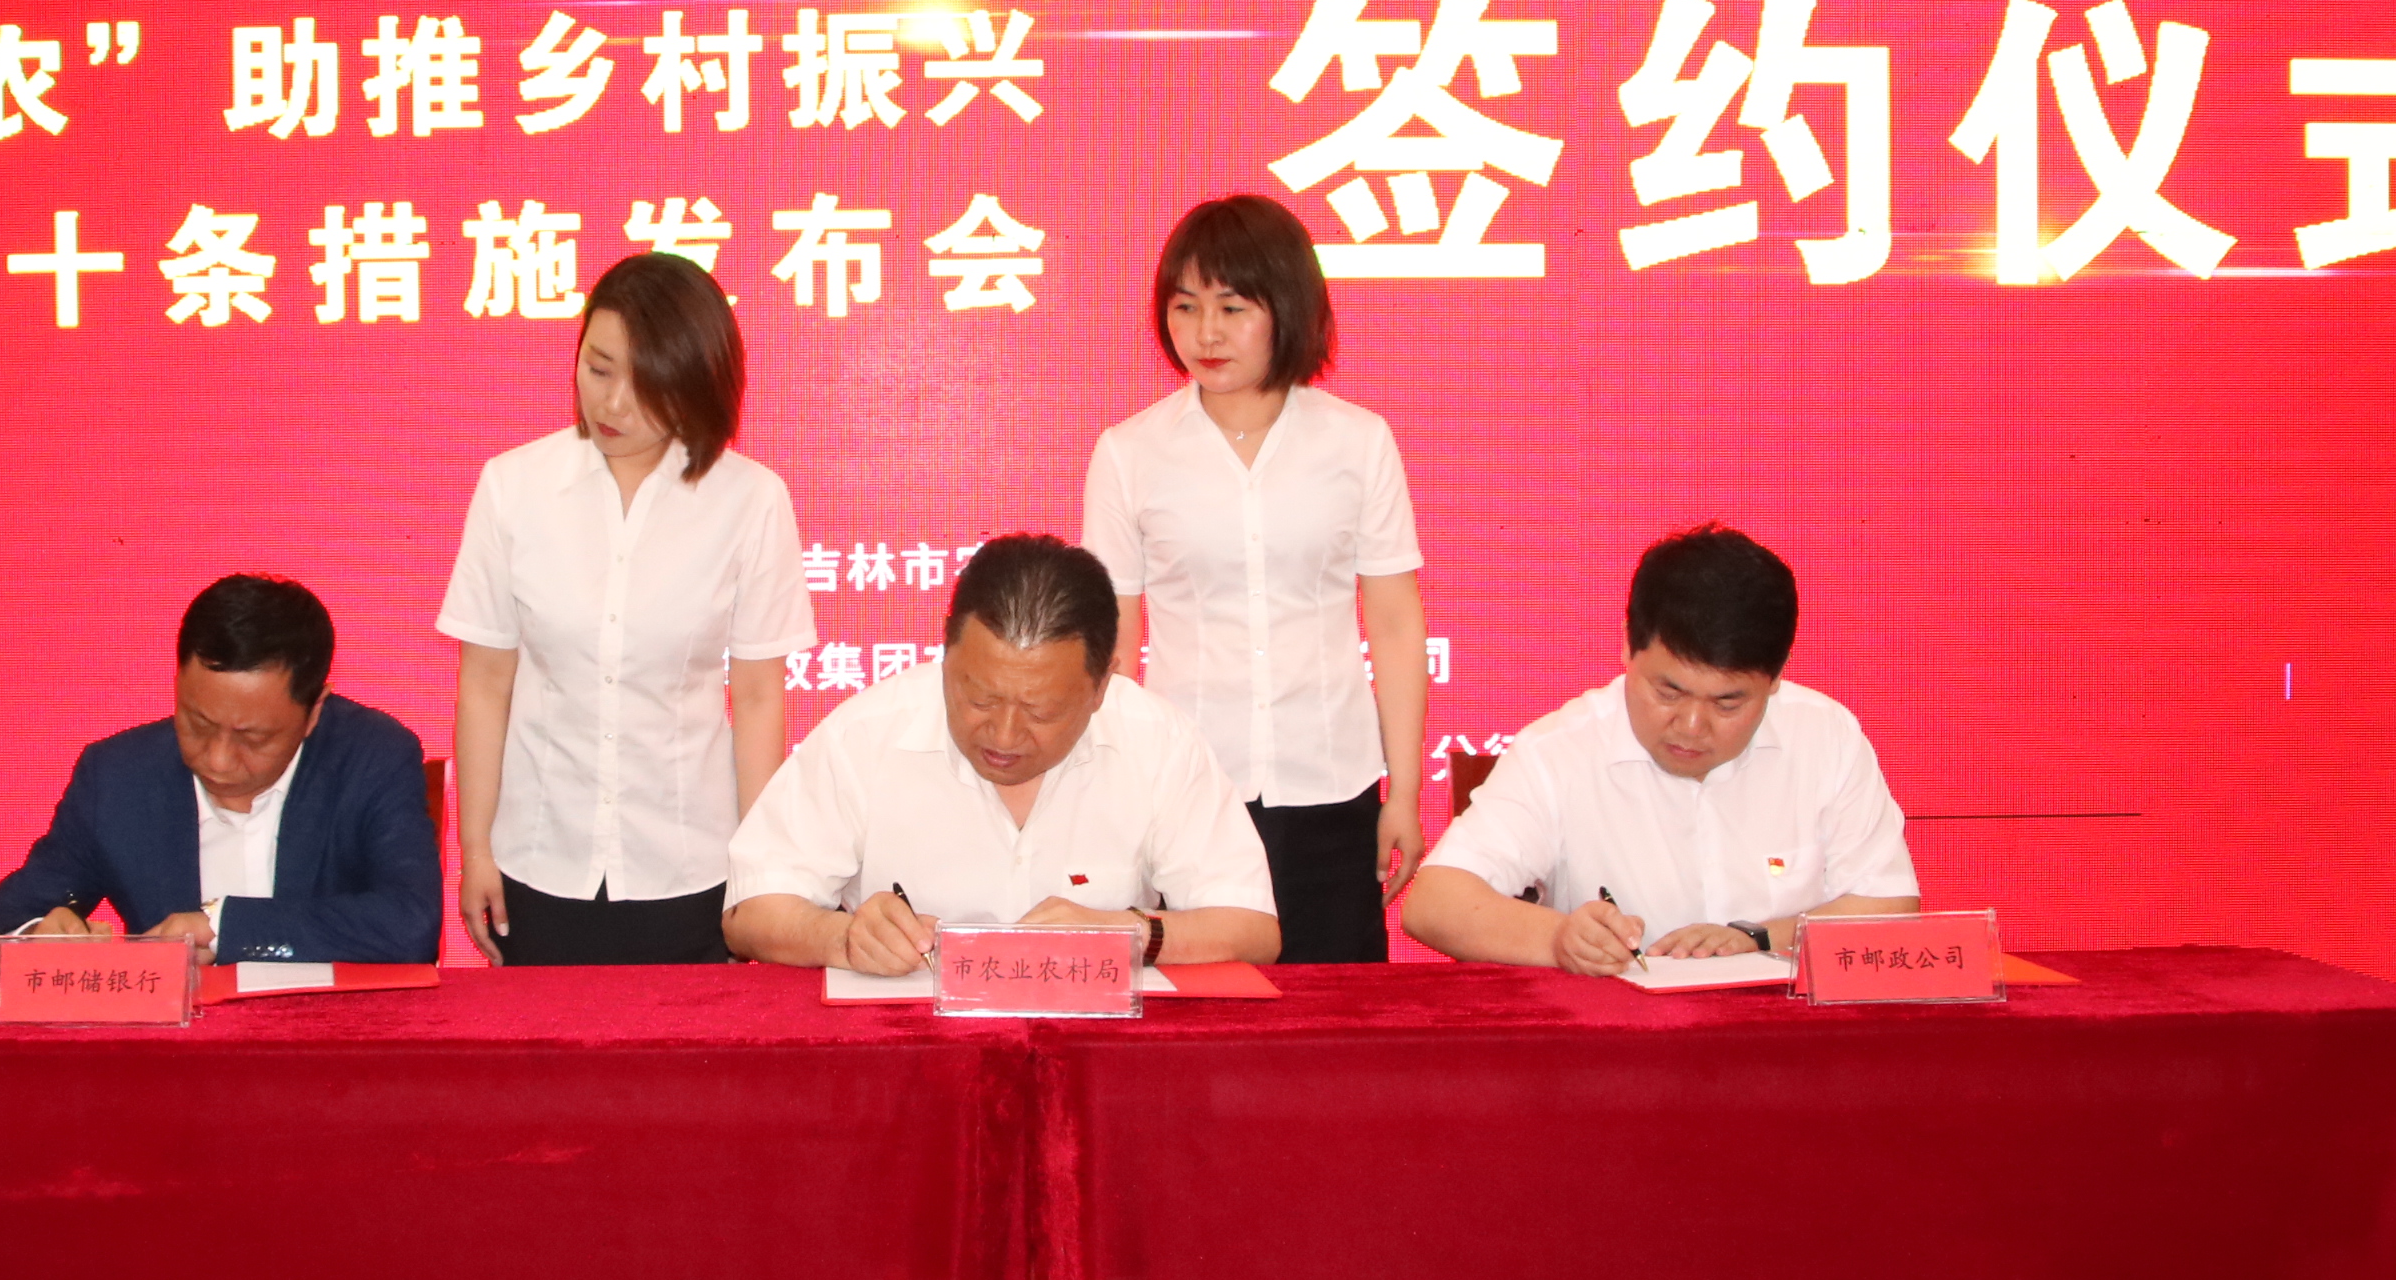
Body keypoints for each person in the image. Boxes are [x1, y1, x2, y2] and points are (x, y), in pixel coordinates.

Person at [1081, 193, 1428, 963]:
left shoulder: (1359, 441)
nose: (1205, 333)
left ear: (1287, 308)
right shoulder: (1129, 453)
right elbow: (1114, 649)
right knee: (1200, 1013)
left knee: (1336, 1015)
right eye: (1185, 306)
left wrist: (1402, 793)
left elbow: (1396, 624)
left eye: (1232, 308)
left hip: (1332, 783)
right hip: (1187, 789)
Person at [437, 252, 811, 965]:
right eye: (599, 369)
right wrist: (476, 850)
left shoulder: (751, 500)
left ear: (695, 383)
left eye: (646, 386)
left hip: (691, 865)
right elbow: (485, 684)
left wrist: (759, 874)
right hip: (537, 861)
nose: (612, 405)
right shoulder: (513, 487)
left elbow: (759, 698)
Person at [725, 535, 1281, 975]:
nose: (1005, 736)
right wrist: (844, 939)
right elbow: (751, 910)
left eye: (1041, 711)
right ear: (946, 658)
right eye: (979, 700)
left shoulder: (1157, 740)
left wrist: (1131, 933)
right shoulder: (865, 734)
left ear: (1101, 686)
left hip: (1098, 1047)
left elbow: (1253, 928)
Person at [1402, 525, 1918, 975]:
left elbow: (1889, 903)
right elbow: (1434, 902)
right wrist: (1559, 940)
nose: (1691, 727)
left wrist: (1759, 939)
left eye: (1728, 702)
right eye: (1668, 692)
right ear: (1628, 645)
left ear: (1777, 676)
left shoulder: (1825, 735)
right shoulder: (1560, 751)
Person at [0, 573, 441, 971]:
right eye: (198, 724)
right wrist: (36, 940)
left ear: (315, 710)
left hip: (326, 1044)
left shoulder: (371, 757)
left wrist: (223, 928)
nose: (218, 759)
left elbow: (409, 926)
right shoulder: (118, 777)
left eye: (254, 738)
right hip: (173, 1052)